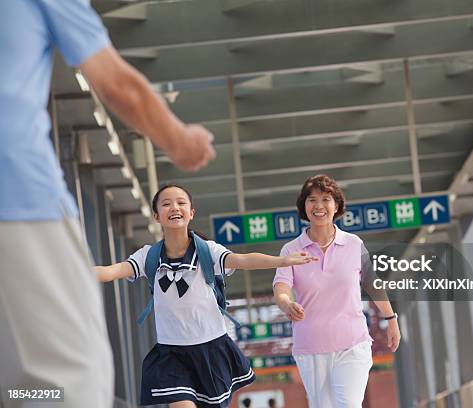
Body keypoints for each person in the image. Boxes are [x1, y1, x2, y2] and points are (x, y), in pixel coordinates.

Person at [0, 1, 215, 407]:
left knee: (18, 381)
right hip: (18, 201)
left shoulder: (204, 253)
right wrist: (182, 143)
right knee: (71, 379)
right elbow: (118, 84)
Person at [96, 185, 317, 408]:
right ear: (156, 216)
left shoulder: (207, 252)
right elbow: (110, 271)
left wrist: (282, 261)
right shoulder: (148, 256)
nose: (174, 207)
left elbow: (242, 260)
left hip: (211, 349)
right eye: (166, 204)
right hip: (172, 353)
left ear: (191, 212)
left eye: (181, 203)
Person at [273, 174, 401, 408]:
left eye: (325, 199)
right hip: (311, 346)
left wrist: (391, 319)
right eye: (311, 200)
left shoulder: (354, 244)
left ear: (337, 206)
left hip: (352, 342)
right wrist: (286, 303)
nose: (318, 206)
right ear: (304, 206)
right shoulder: (291, 249)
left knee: (349, 404)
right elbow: (281, 287)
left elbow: (373, 283)